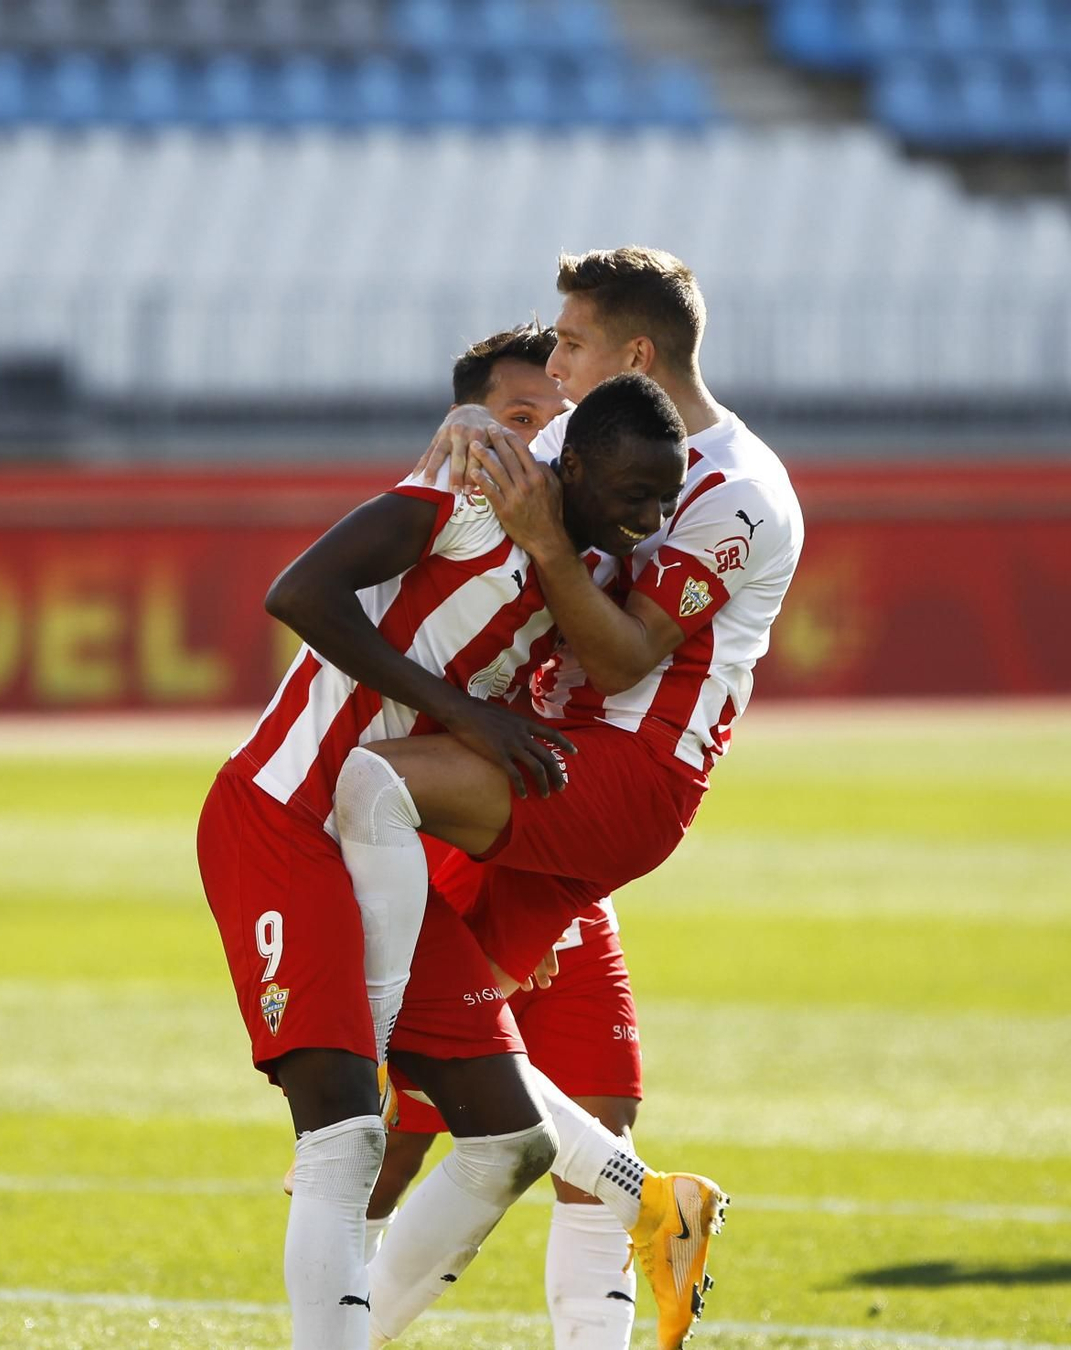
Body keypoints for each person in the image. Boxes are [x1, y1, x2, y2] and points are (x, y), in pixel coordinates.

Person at [333, 246, 805, 1350]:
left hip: (616, 778)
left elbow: (622, 662)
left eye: (574, 341)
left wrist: (542, 535)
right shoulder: (571, 435)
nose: (555, 358)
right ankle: (645, 1203)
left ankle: (334, 1321)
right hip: (543, 765)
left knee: (373, 821)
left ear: (635, 353)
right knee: (563, 1104)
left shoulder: (739, 490)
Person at [194, 367, 688, 1350]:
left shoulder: (581, 579)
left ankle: (648, 1207)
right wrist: (467, 714)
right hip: (285, 817)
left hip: (382, 849)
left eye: (666, 499)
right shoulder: (469, 493)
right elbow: (298, 591)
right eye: (635, 495)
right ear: (576, 468)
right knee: (344, 1139)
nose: (652, 519)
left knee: (511, 1141)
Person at [366, 323, 662, 1350]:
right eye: (515, 421)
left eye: (556, 423)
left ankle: (646, 1212)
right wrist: (434, 457)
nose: (536, 446)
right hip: (451, 864)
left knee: (595, 1140)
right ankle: (330, 1327)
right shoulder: (429, 524)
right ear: (465, 427)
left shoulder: (592, 552)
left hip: (563, 878)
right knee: (398, 1150)